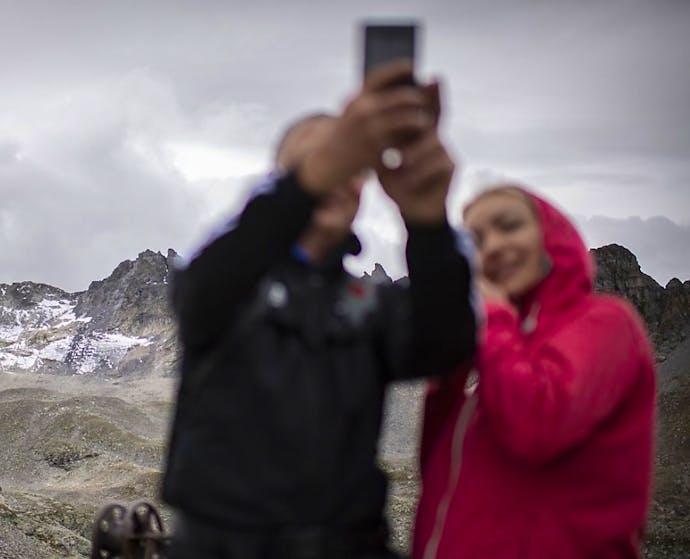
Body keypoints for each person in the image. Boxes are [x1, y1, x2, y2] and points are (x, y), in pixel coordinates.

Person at [162, 61, 476, 559]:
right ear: (282, 184)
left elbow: (444, 345)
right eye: (317, 163)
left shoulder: (372, 303)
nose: (334, 175)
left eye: (351, 165)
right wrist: (313, 176)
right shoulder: (229, 279)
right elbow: (204, 290)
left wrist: (429, 221)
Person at [412, 186, 656, 559]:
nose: (491, 247)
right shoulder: (500, 346)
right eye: (475, 241)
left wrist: (491, 316)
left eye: (509, 226)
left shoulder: (604, 322)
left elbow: (536, 425)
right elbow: (437, 470)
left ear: (551, 236)